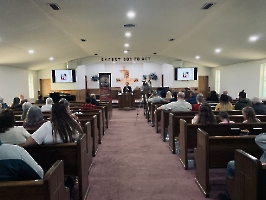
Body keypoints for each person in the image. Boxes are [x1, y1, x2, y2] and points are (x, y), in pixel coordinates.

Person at [218, 133, 266, 200]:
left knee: (231, 164)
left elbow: (258, 138)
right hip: (261, 168)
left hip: (261, 171)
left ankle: (228, 197)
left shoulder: (262, 140)